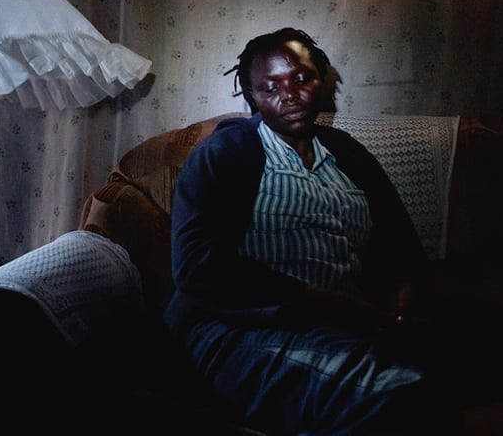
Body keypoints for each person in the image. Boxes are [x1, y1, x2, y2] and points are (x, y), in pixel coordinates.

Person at [163, 27, 459, 435]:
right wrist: (326, 303)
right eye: (270, 87)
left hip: (346, 333)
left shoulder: (348, 153)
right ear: (251, 96)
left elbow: (400, 252)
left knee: (461, 370)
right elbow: (197, 267)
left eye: (302, 79)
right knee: (395, 394)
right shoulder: (226, 153)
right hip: (239, 328)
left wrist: (400, 314)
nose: (290, 94)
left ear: (319, 80)